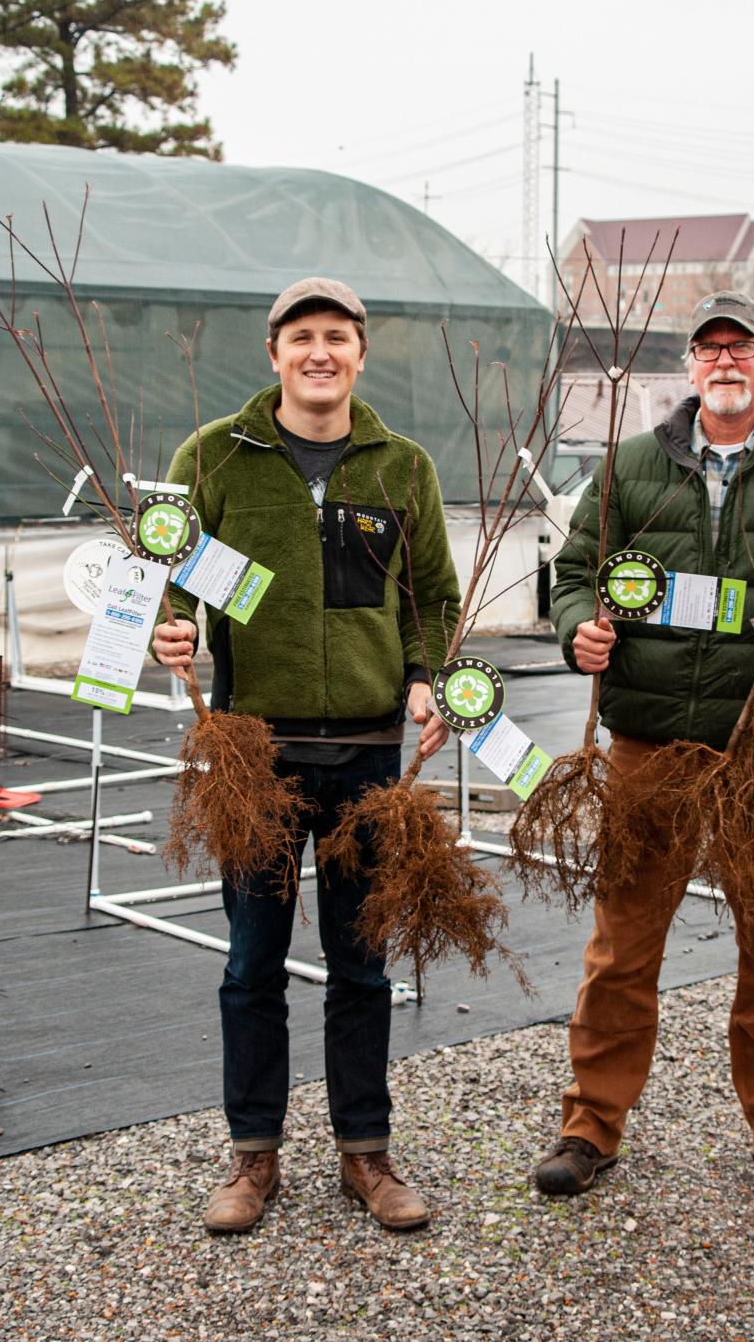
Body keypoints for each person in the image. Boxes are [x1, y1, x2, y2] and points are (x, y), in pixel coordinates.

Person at [537, 290, 754, 1199]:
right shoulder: (628, 466)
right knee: (624, 943)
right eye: (709, 349)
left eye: (741, 347)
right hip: (651, 740)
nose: (724, 361)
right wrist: (580, 629)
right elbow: (573, 574)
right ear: (690, 369)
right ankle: (589, 1125)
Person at [153, 277, 460, 1233]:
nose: (319, 353)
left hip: (370, 758)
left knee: (362, 964)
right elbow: (166, 585)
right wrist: (170, 635)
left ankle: (365, 1154)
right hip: (257, 757)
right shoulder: (214, 458)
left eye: (337, 337)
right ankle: (254, 1159)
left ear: (360, 354)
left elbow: (435, 598)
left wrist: (426, 677)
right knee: (251, 964)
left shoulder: (400, 467)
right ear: (275, 353)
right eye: (301, 338)